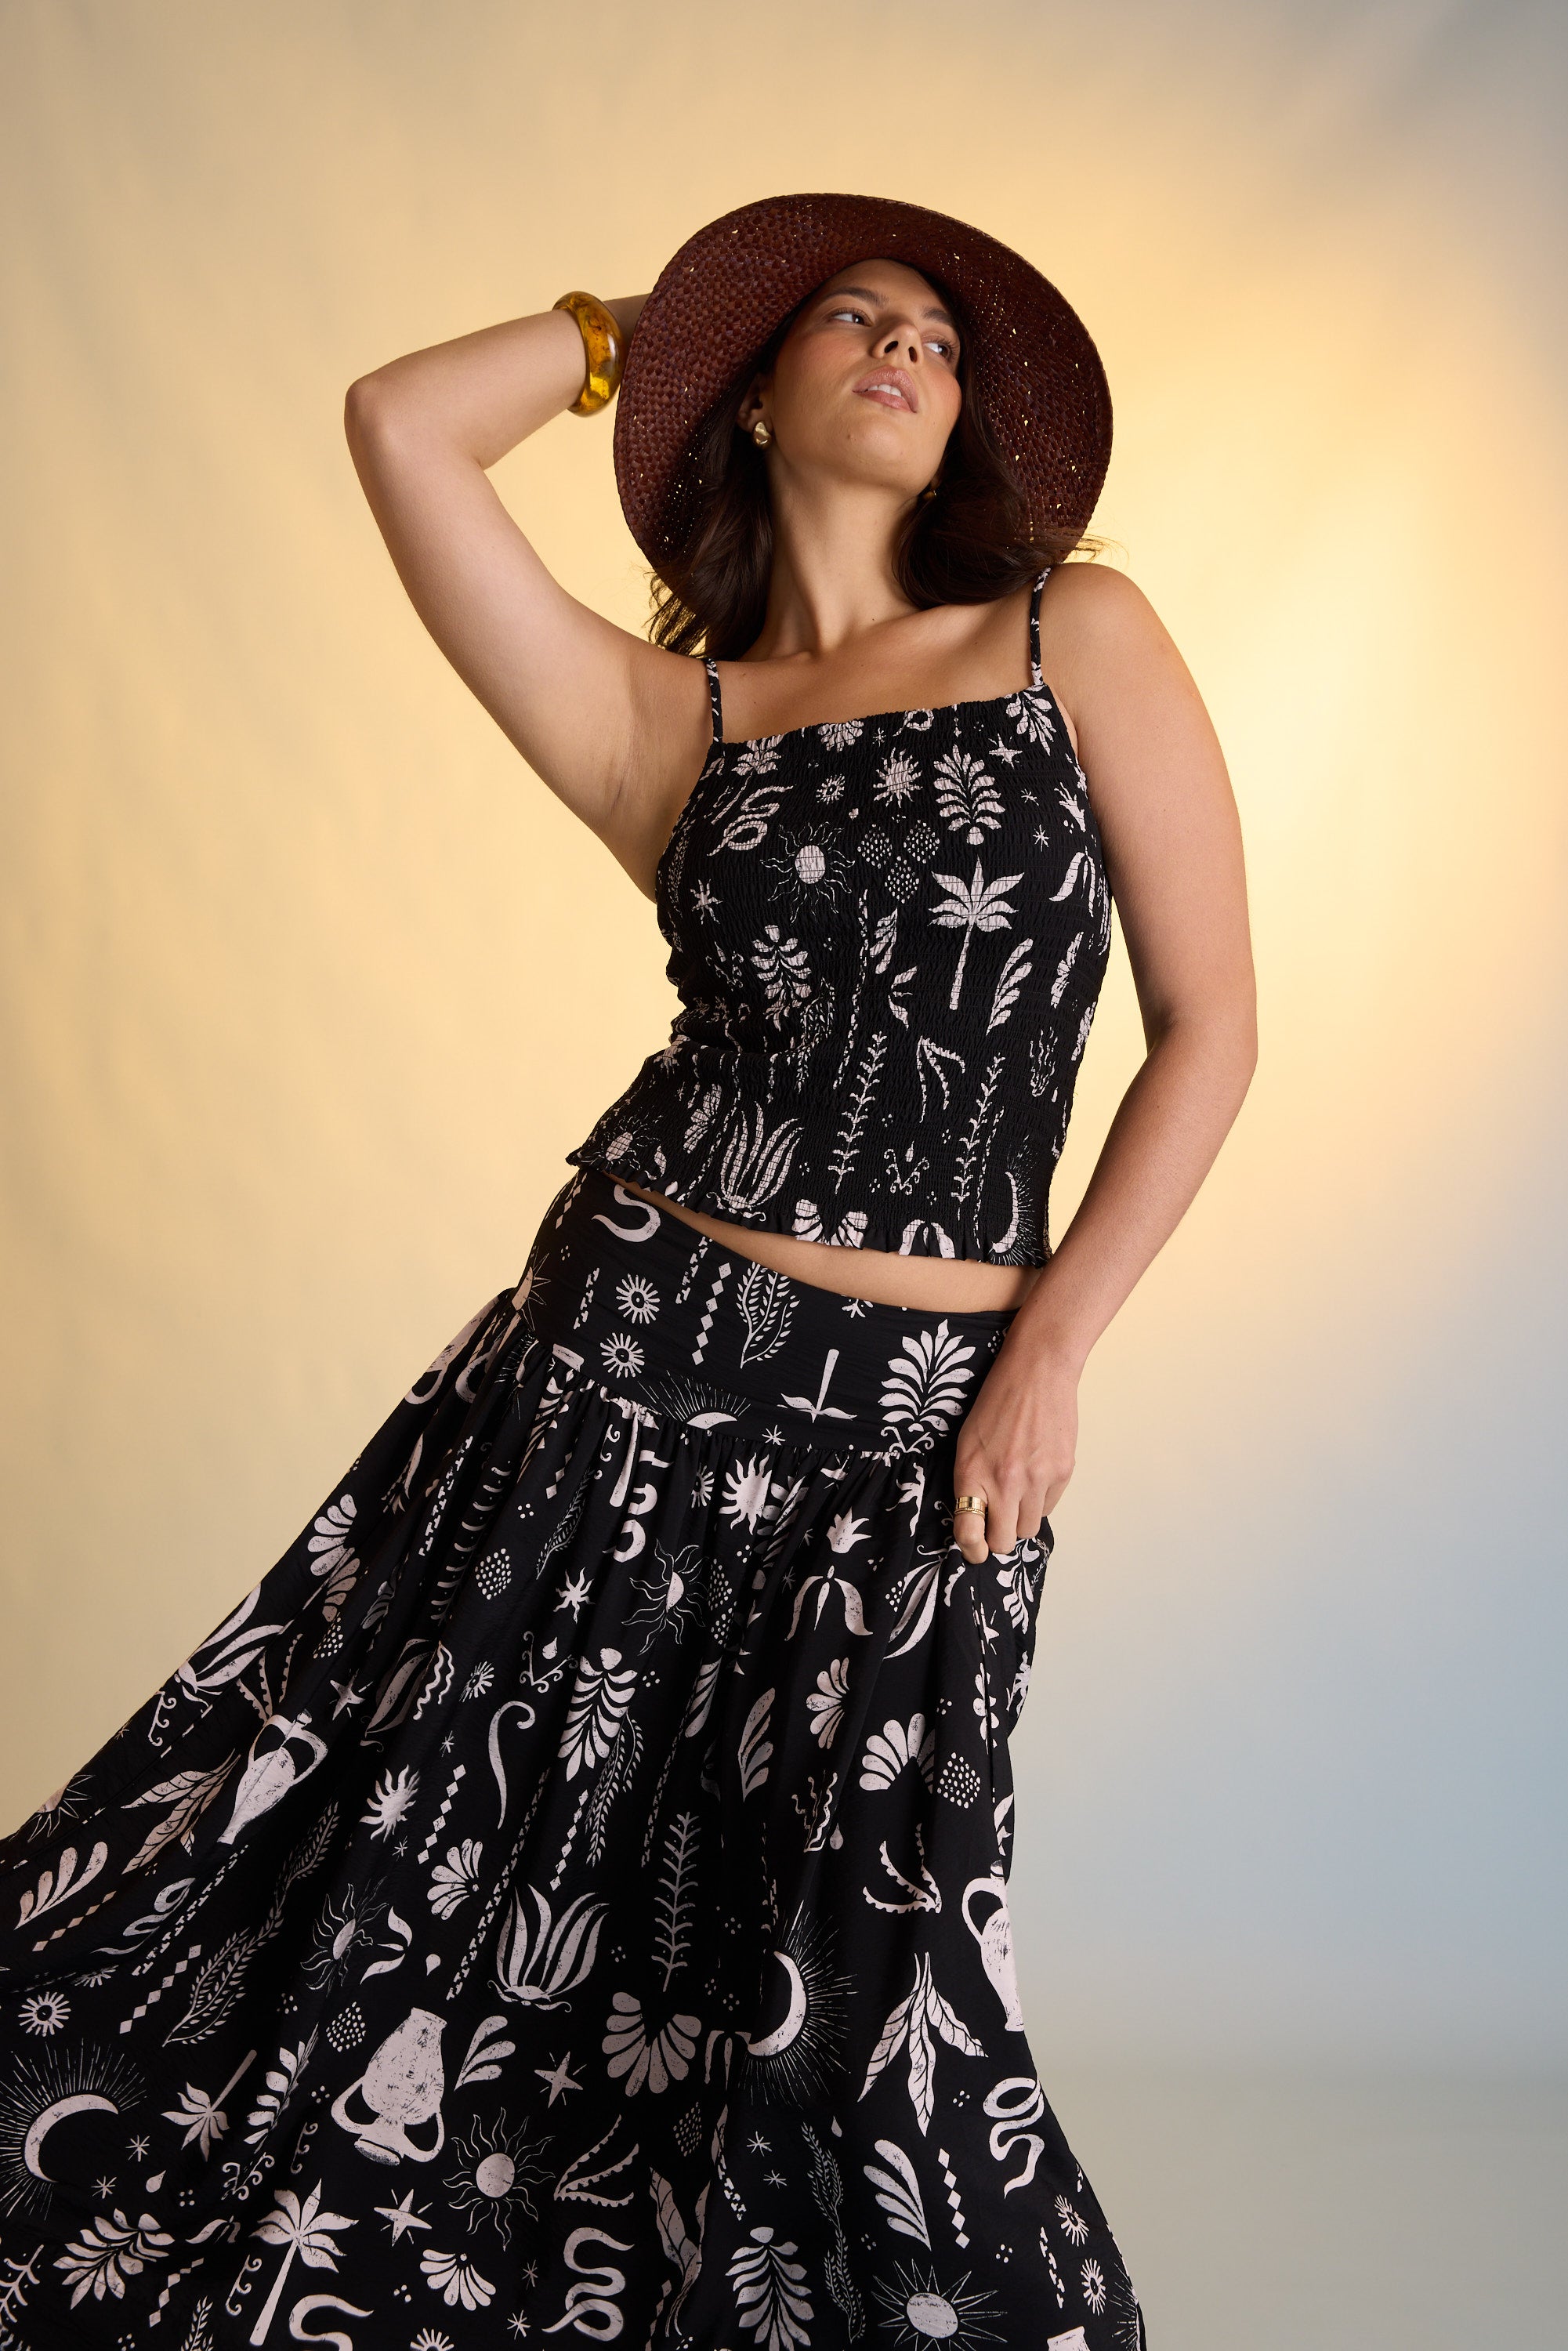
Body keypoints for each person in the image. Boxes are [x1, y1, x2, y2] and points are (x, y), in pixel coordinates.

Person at [0, 194, 1255, 2349]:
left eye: (937, 338)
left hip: (908, 1429)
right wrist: (628, 329)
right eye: (847, 321)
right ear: (757, 399)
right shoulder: (669, 719)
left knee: (855, 1966)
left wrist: (1047, 1355)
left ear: (964, 434)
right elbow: (399, 423)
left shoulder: (1077, 637)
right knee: (434, 1877)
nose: (898, 343)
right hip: (618, 1363)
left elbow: (1210, 1028)